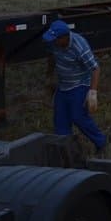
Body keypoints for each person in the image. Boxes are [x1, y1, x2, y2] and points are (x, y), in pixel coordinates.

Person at [42, 18, 107, 154]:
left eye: (56, 39)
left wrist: (92, 93)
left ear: (65, 37)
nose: (53, 42)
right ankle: (66, 150)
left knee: (79, 116)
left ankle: (101, 142)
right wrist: (49, 77)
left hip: (79, 85)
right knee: (60, 120)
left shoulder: (80, 46)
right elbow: (52, 57)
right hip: (63, 85)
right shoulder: (54, 44)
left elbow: (95, 68)